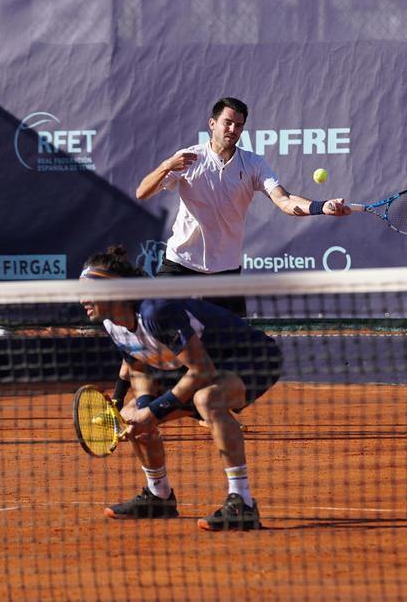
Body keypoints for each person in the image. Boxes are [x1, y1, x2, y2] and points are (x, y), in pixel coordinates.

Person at [79, 245, 282, 531]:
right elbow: (137, 365)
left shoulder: (155, 310)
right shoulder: (112, 323)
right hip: (196, 366)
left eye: (89, 289)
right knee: (129, 416)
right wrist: (145, 406)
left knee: (207, 399)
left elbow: (203, 370)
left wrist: (155, 412)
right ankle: (158, 495)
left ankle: (243, 502)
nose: (81, 298)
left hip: (253, 356)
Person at [135, 96, 350, 316]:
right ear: (212, 124)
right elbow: (142, 192)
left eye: (238, 125)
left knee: (234, 343)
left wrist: (322, 206)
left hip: (224, 269)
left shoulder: (253, 164)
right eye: (227, 122)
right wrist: (166, 166)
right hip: (181, 262)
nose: (232, 129)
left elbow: (284, 200)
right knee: (155, 315)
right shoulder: (189, 158)